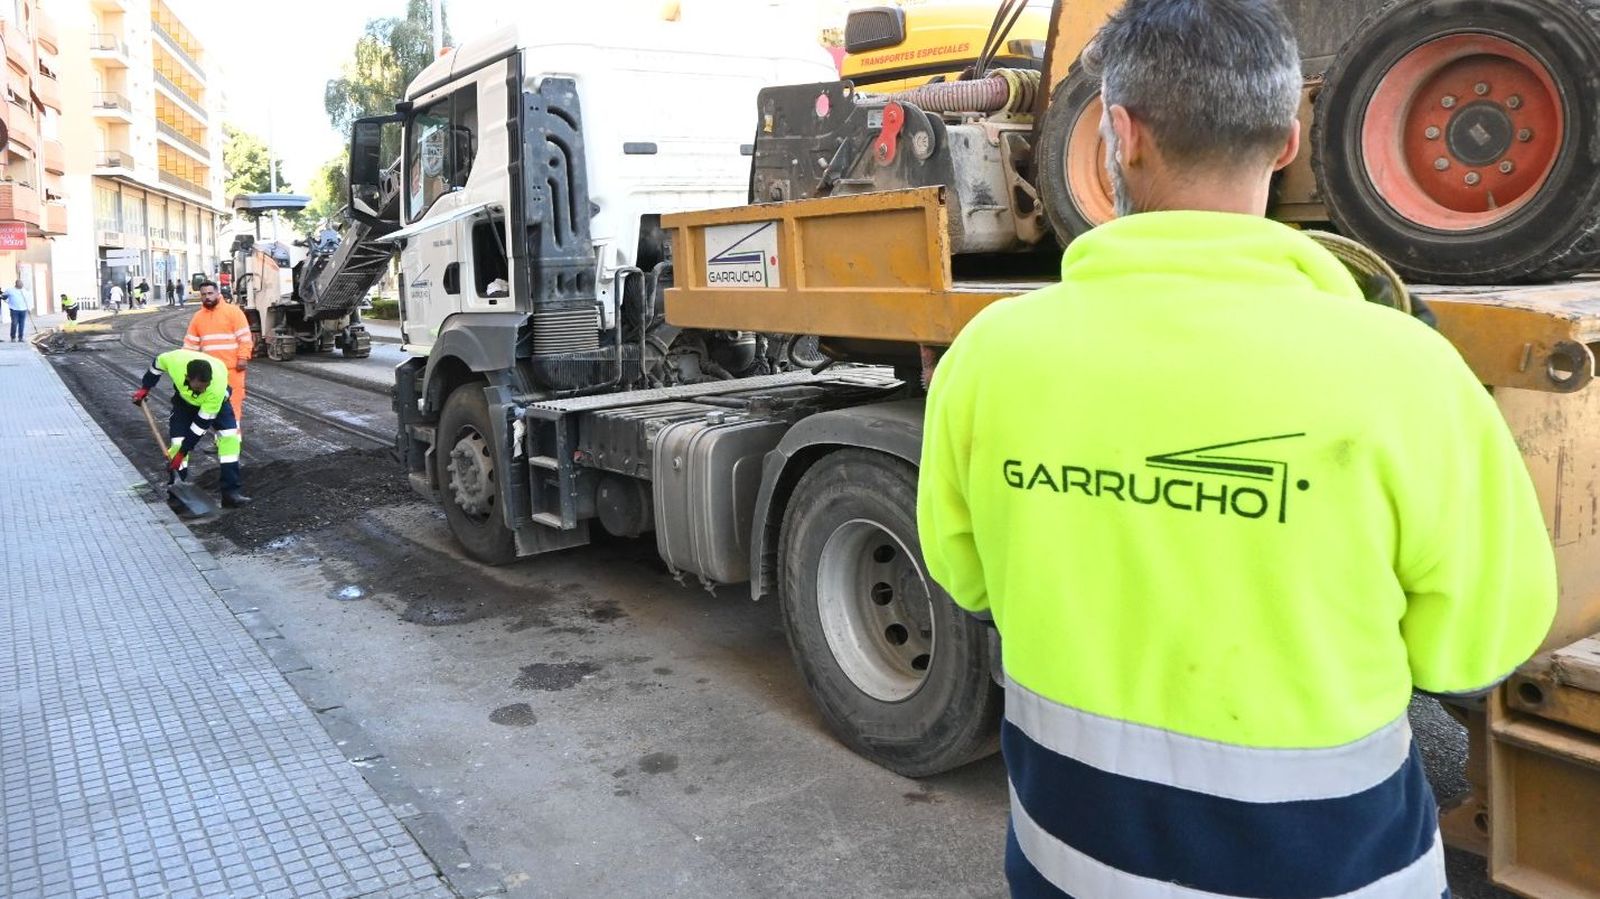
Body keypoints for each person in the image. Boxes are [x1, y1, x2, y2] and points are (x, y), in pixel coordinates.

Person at [916, 2, 1559, 897]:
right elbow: (1473, 652)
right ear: (1291, 138)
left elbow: (968, 578)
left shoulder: (990, 356)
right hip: (1340, 872)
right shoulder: (1406, 369)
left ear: (1121, 135)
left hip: (1069, 865)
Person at [132, 349, 251, 507]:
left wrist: (183, 452)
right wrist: (145, 388)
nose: (203, 389)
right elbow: (156, 365)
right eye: (199, 387)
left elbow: (200, 426)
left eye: (205, 386)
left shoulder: (215, 388)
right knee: (177, 442)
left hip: (217, 405)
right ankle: (177, 496)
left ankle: (231, 494)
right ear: (187, 378)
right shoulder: (174, 361)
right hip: (184, 403)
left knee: (230, 438)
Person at [183, 280, 252, 424]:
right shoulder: (198, 318)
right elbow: (190, 346)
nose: (207, 297)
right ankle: (222, 439)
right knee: (214, 406)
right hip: (211, 372)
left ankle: (233, 440)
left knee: (233, 404)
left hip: (233, 369)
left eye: (210, 293)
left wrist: (243, 357)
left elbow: (245, 338)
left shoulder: (233, 312)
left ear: (217, 293)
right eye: (204, 294)